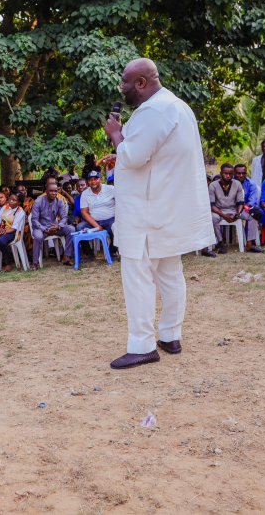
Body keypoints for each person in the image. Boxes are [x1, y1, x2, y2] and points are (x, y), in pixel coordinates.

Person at [104, 58, 214, 370]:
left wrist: (116, 134)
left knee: (138, 276)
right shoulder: (177, 106)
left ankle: (142, 345)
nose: (121, 88)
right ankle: (170, 335)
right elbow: (156, 156)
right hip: (167, 209)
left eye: (125, 82)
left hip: (146, 214)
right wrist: (121, 153)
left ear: (141, 83)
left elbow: (136, 156)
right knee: (170, 272)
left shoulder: (153, 110)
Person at [203, 163, 260, 256]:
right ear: (221, 173)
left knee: (253, 215)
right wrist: (224, 216)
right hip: (219, 211)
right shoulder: (213, 185)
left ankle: (250, 244)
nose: (228, 176)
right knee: (213, 218)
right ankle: (221, 243)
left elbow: (240, 203)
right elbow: (212, 206)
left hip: (234, 210)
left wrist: (237, 214)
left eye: (230, 174)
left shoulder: (237, 184)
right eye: (226, 173)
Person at [29, 183, 74, 267]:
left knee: (71, 229)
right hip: (41, 228)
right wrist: (45, 229)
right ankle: (35, 262)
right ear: (46, 191)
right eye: (51, 191)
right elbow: (34, 220)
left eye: (55, 191)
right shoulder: (38, 201)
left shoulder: (59, 201)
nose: (54, 193)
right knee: (38, 236)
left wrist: (58, 226)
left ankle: (66, 257)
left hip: (54, 227)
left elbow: (64, 217)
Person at [78, 170, 116, 255]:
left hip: (110, 219)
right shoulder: (85, 194)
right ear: (88, 182)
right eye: (91, 180)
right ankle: (89, 254)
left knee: (116, 228)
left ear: (100, 179)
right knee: (79, 227)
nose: (93, 181)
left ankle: (112, 251)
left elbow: (120, 203)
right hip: (94, 221)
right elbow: (84, 213)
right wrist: (97, 226)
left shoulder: (111, 189)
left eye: (96, 179)